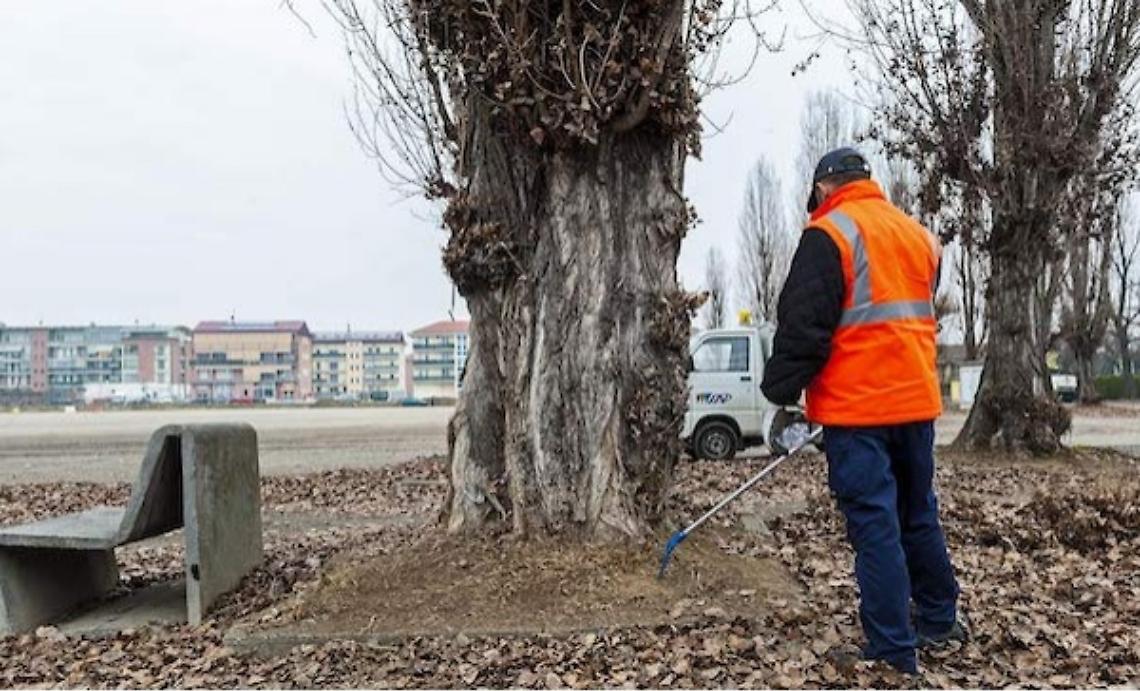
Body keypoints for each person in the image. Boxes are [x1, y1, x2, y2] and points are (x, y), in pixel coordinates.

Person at [760, 147, 966, 674]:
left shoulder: (828, 234)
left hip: (859, 412)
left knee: (875, 526)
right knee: (918, 514)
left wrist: (780, 390)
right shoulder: (918, 236)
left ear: (824, 190)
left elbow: (804, 326)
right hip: (916, 403)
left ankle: (893, 648)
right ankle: (940, 620)